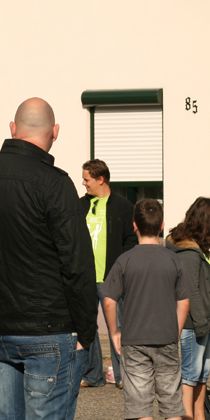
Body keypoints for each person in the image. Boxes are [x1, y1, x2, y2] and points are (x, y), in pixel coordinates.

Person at [0, 97, 97, 420]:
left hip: (1, 328)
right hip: (50, 329)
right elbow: (78, 265)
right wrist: (87, 331)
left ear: (12, 129)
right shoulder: (54, 184)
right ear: (55, 133)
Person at [102, 199, 195, 420]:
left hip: (134, 339)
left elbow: (109, 300)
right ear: (162, 225)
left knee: (140, 397)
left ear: (134, 227)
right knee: (171, 394)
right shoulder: (173, 259)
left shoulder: (125, 260)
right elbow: (184, 301)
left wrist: (115, 332)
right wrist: (175, 329)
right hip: (166, 337)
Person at [167, 197, 210, 420]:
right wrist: (202, 322)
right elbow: (191, 292)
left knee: (202, 373)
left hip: (204, 320)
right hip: (194, 323)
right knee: (190, 374)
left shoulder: (193, 246)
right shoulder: (188, 252)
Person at [79, 159, 136, 389]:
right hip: (84, 278)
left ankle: (123, 375)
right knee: (86, 325)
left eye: (87, 179)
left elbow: (130, 242)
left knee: (119, 326)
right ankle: (91, 375)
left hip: (112, 278)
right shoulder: (80, 205)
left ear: (101, 179)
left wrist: (120, 271)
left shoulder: (123, 207)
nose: (83, 183)